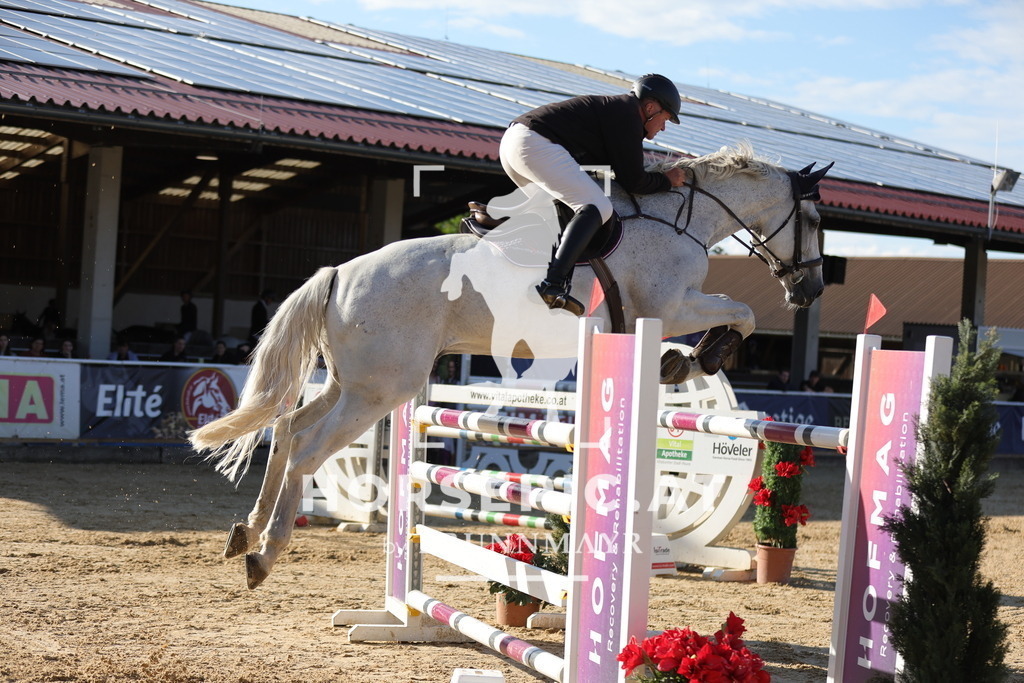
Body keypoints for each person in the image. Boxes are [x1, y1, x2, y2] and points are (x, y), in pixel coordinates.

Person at [492, 74, 686, 316]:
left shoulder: (619, 111)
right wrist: (667, 180)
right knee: (598, 207)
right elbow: (634, 181)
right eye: (665, 118)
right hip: (534, 144)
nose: (664, 127)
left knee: (565, 213)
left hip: (515, 143)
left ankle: (546, 273)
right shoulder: (628, 116)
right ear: (650, 107)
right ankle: (552, 285)